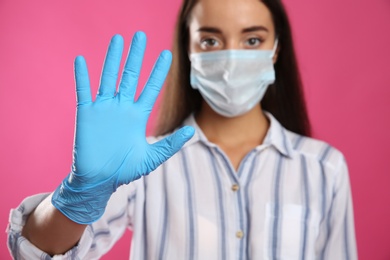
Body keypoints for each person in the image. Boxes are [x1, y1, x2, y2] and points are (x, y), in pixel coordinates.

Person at [7, 0, 358, 259]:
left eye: (252, 40)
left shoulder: (324, 167)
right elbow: (36, 254)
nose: (231, 59)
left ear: (276, 48)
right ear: (187, 48)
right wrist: (79, 194)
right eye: (210, 41)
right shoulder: (140, 165)